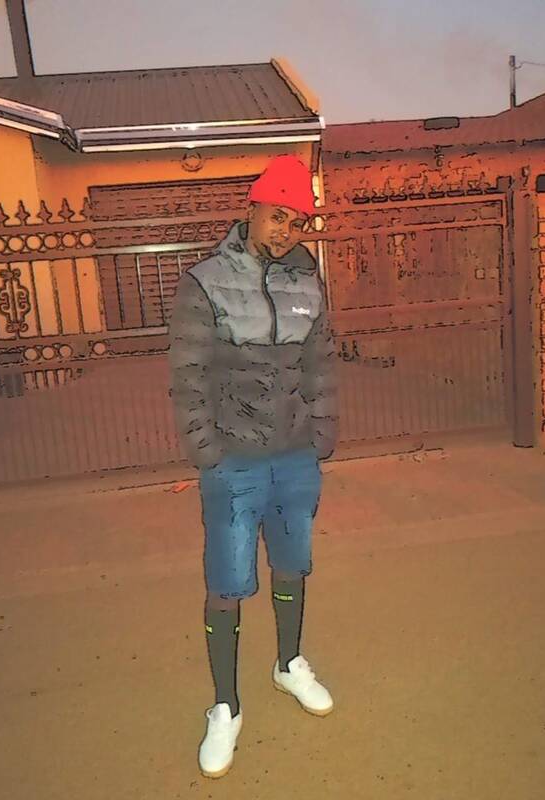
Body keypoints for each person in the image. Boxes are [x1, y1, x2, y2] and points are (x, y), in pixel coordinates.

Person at [169, 154, 338, 779]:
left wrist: (321, 434)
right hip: (234, 462)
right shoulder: (206, 282)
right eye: (278, 215)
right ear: (254, 209)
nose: (286, 229)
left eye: (297, 220)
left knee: (293, 564)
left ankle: (288, 664)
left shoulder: (307, 282)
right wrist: (207, 451)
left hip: (294, 456)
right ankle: (226, 705)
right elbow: (188, 375)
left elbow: (321, 364)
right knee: (228, 582)